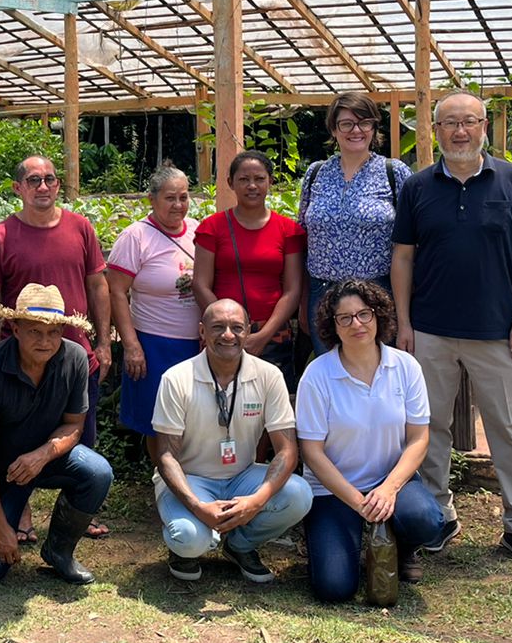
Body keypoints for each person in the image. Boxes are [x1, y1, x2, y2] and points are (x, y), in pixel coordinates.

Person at [391, 91, 512, 570]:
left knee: (509, 428)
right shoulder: (418, 188)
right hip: (431, 330)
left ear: (485, 127)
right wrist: (404, 322)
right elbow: (403, 256)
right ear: (435, 131)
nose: (460, 131)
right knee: (429, 427)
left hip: (497, 330)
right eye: (449, 123)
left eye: (469, 122)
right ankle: (438, 515)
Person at [0, 154, 113, 541]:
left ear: (58, 186)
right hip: (19, 360)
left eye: (50, 180)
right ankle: (20, 515)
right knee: (15, 440)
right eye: (34, 180)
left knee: (81, 437)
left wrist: (103, 342)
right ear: (17, 188)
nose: (43, 187)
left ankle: (77, 513)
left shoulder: (80, 228)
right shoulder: (0, 236)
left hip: (75, 355)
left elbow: (98, 286)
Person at [296, 279, 446, 603]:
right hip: (334, 490)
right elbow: (311, 452)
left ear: (378, 316)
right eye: (345, 318)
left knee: (427, 519)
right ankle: (333, 538)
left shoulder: (405, 367)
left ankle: (402, 547)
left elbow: (419, 439)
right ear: (332, 325)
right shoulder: (318, 375)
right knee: (334, 588)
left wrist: (389, 489)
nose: (357, 324)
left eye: (364, 314)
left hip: (389, 481)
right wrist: (357, 501)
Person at [0, 283, 114, 585]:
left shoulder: (76, 358)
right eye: (35, 332)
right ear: (14, 329)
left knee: (98, 472)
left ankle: (59, 551)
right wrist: (1, 528)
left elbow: (74, 426)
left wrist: (41, 456)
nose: (46, 341)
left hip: (44, 459)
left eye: (54, 332)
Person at [151, 299, 310, 584]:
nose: (228, 334)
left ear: (248, 331)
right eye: (218, 327)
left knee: (299, 495)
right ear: (202, 332)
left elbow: (287, 450)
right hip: (191, 479)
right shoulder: (176, 378)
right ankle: (187, 550)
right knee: (188, 538)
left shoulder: (269, 376)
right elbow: (165, 455)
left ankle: (240, 544)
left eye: (237, 327)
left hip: (242, 478)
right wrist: (199, 508)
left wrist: (256, 501)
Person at [299, 93, 412, 355]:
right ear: (333, 129)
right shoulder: (316, 173)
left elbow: (411, 240)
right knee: (331, 375)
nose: (356, 130)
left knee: (377, 373)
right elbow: (304, 236)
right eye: (347, 123)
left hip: (377, 295)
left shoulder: (393, 173)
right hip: (324, 294)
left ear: (374, 128)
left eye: (364, 123)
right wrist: (304, 298)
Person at [107, 163, 202, 464]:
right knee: (158, 421)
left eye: (184, 197)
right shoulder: (136, 237)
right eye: (170, 198)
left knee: (195, 416)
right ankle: (165, 480)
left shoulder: (199, 232)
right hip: (153, 343)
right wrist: (131, 345)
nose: (178, 205)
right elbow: (116, 292)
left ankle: (194, 478)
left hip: (196, 344)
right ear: (152, 199)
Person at [193, 150, 306, 386]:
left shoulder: (288, 231)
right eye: (244, 179)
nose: (252, 186)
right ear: (230, 183)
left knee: (272, 402)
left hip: (273, 331)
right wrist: (228, 328)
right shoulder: (212, 227)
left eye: (259, 179)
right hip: (222, 333)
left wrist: (263, 336)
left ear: (270, 182)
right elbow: (200, 284)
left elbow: (292, 289)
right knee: (218, 399)